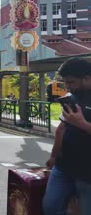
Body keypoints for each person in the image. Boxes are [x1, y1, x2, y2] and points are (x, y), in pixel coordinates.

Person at [43, 57, 91, 215]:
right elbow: (61, 129)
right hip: (63, 166)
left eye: (71, 82)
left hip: (87, 173)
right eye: (65, 82)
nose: (67, 86)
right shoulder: (72, 96)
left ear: (87, 78)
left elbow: (77, 124)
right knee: (51, 207)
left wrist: (82, 124)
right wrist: (53, 156)